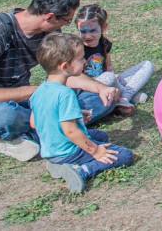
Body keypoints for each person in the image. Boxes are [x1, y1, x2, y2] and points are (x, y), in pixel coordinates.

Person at [0, 0, 119, 161]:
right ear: (50, 17)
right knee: (7, 115)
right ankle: (60, 129)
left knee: (103, 100)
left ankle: (35, 135)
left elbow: (63, 72)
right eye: (66, 21)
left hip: (25, 103)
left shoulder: (49, 32)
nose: (65, 26)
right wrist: (43, 93)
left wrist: (101, 88)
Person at [30, 34, 133, 193]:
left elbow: (34, 122)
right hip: (68, 151)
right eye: (80, 59)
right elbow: (71, 131)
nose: (85, 61)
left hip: (51, 149)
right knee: (124, 155)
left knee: (101, 136)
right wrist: (95, 151)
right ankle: (81, 170)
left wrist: (75, 114)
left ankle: (56, 163)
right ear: (65, 66)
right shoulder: (65, 93)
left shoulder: (39, 90)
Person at [75, 5, 154, 116]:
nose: (88, 36)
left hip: (108, 82)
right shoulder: (76, 47)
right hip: (89, 88)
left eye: (93, 30)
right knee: (109, 77)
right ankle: (126, 96)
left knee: (147, 65)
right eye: (83, 31)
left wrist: (113, 75)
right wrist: (110, 77)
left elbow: (109, 67)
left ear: (104, 27)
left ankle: (124, 97)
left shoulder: (104, 44)